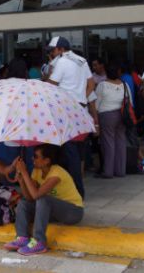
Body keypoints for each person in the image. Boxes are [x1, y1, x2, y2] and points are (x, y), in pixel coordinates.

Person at [4, 144, 84, 256]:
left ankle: (39, 242)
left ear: (46, 160)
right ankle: (22, 237)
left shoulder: (57, 173)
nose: (32, 159)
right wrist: (22, 180)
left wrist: (25, 172)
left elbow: (36, 195)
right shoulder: (37, 171)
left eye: (36, 156)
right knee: (23, 203)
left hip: (73, 211)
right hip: (53, 210)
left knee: (43, 199)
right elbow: (30, 197)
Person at [45, 36, 94, 199]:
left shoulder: (61, 62)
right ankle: (78, 191)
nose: (51, 54)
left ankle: (74, 193)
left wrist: (48, 72)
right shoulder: (82, 60)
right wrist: (81, 99)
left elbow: (50, 86)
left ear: (60, 50)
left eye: (52, 50)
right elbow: (91, 84)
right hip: (80, 110)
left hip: (65, 110)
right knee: (77, 153)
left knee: (67, 153)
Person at [0, 58, 34, 176]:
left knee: (6, 163)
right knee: (27, 163)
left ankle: (7, 184)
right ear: (25, 70)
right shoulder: (31, 87)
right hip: (27, 129)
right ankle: (26, 181)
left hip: (6, 129)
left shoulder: (2, 86)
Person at [94, 63, 130, 178]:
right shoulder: (125, 85)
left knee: (108, 143)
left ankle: (108, 172)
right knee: (121, 142)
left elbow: (97, 104)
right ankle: (120, 171)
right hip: (122, 115)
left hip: (107, 115)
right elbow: (130, 102)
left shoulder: (102, 85)